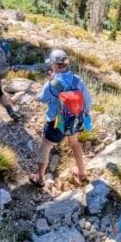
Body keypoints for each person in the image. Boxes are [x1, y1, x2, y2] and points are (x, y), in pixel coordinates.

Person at [29, 48, 92, 188]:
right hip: (74, 120)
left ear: (54, 65)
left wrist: (50, 83)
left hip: (57, 123)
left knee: (45, 146)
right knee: (74, 143)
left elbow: (42, 99)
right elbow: (88, 102)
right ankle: (81, 174)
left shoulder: (51, 84)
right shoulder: (78, 80)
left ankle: (39, 179)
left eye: (51, 64)